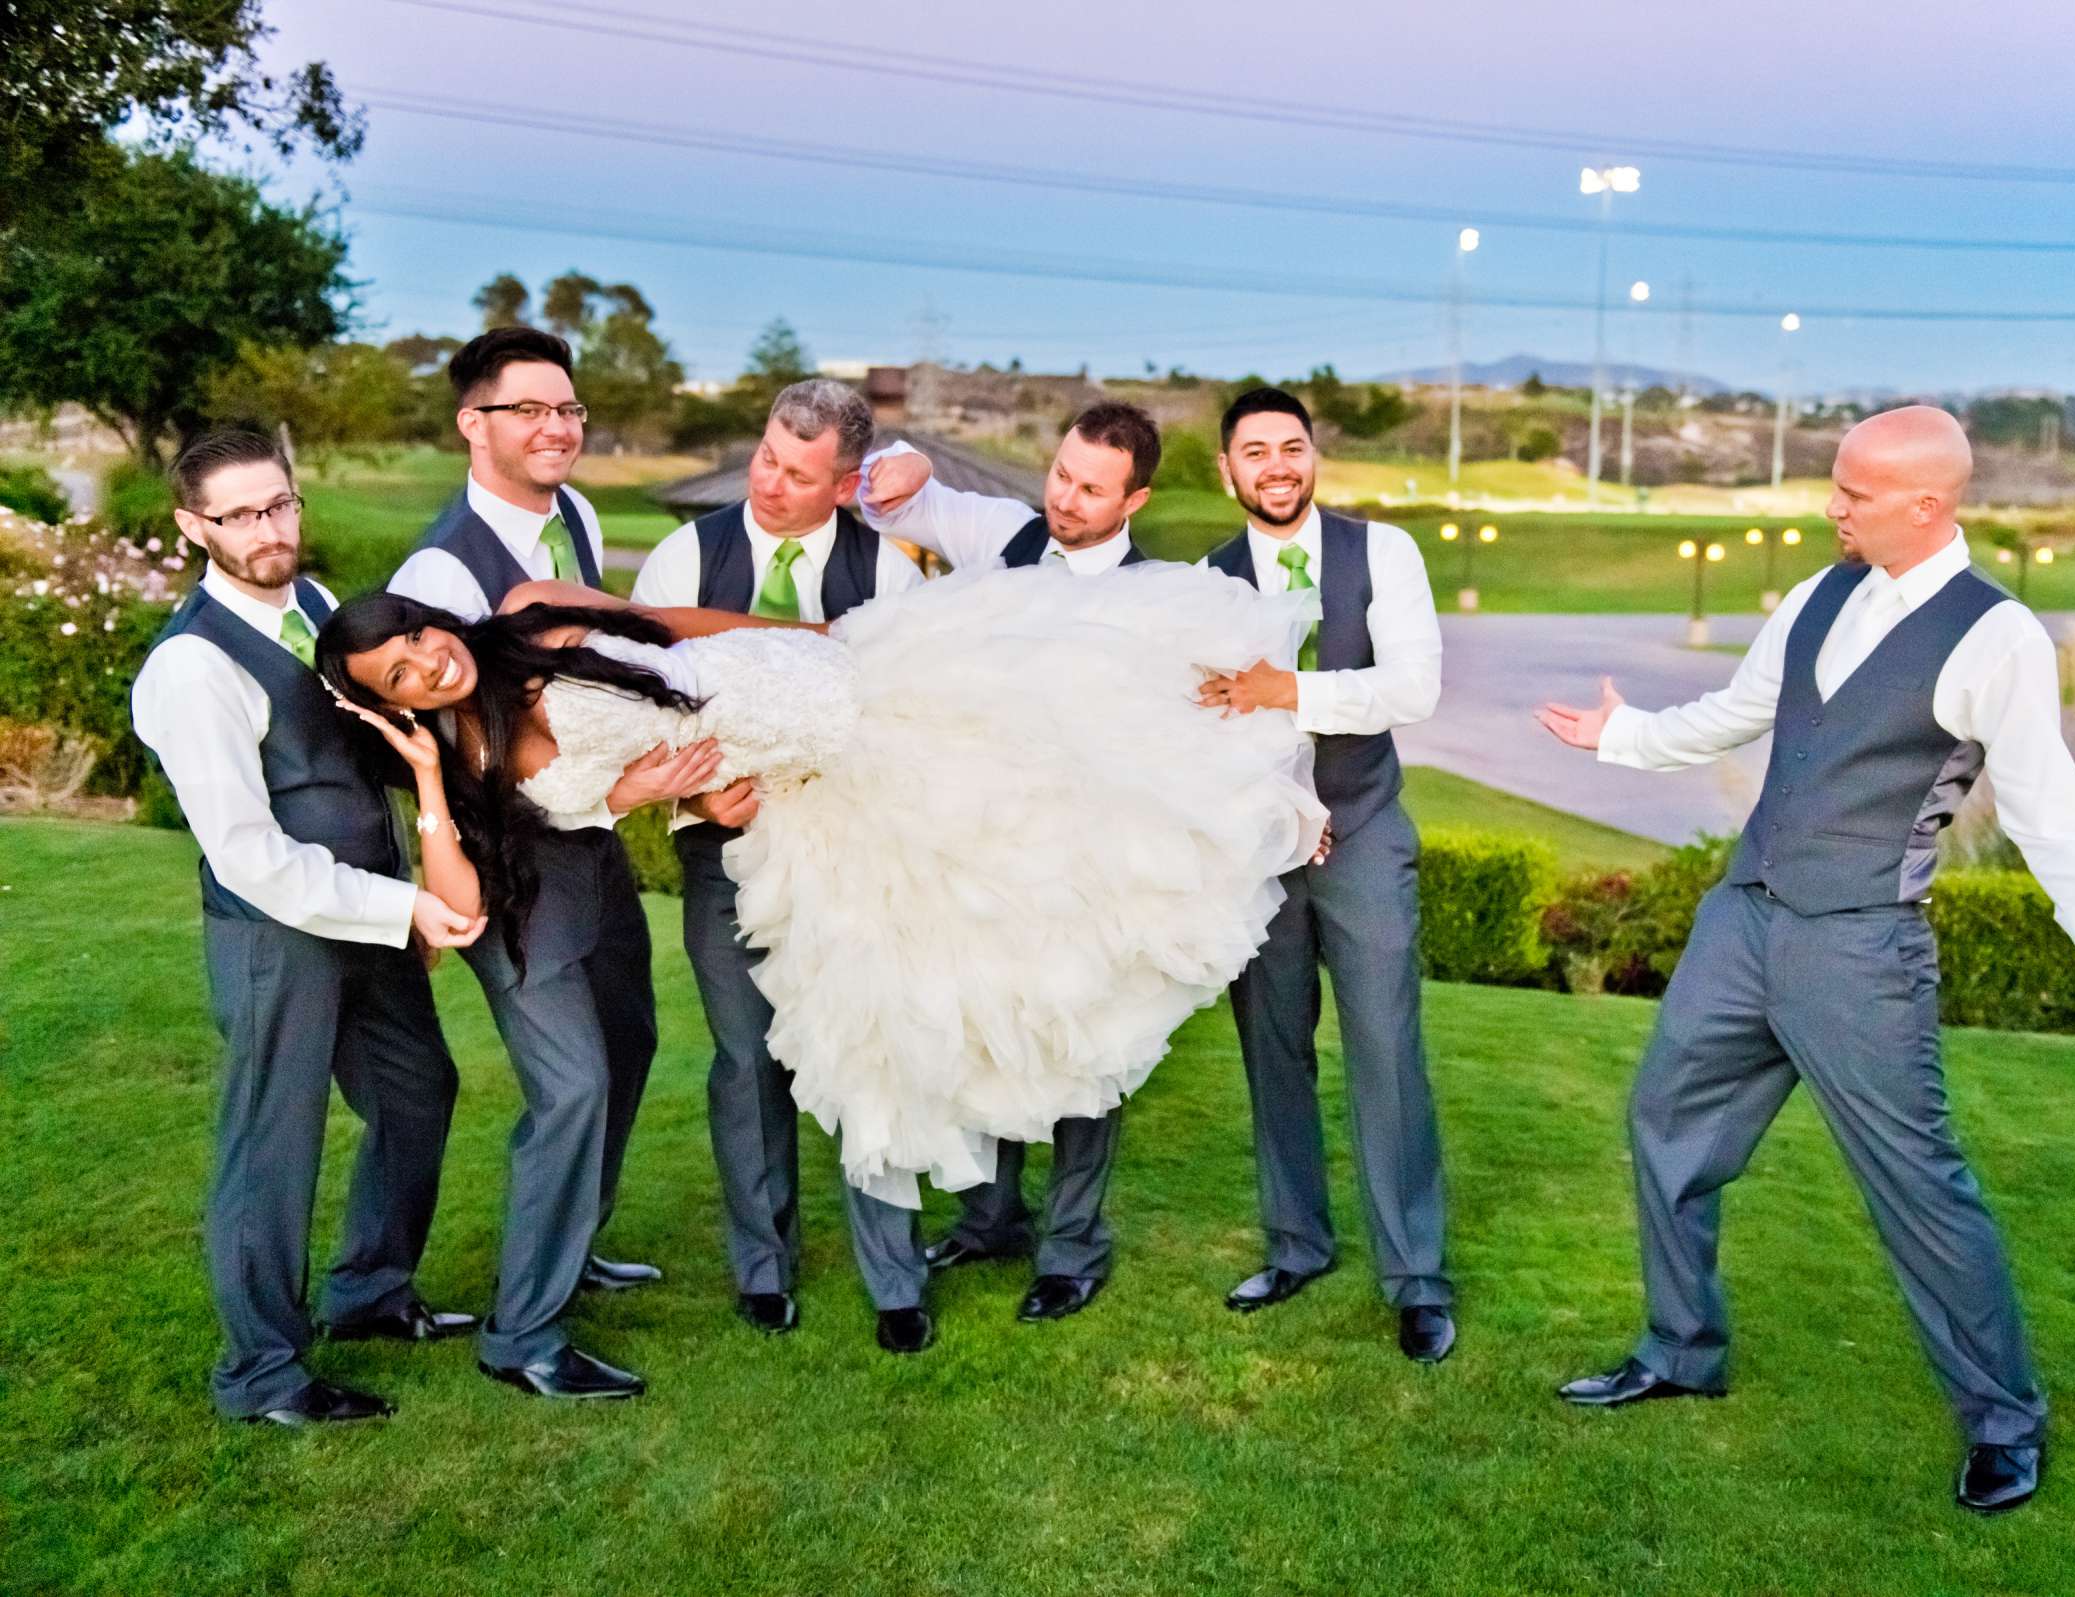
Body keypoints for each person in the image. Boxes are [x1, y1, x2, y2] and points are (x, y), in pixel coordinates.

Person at [319, 537, 1326, 1353]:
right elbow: (495, 874)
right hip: (824, 794)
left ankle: (1255, 776)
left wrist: (806, 630)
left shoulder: (537, 608)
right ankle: (878, 1280)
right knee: (873, 1025)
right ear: (392, 703)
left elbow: (671, 628)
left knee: (1069, 746)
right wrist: (441, 776)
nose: (426, 662)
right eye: (399, 676)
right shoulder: (485, 751)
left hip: (857, 681)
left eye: (415, 635)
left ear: (429, 613)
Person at [1535, 405, 2075, 1514]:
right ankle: (1682, 1348)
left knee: (1916, 1183)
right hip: (1744, 917)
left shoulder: (1998, 638)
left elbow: (2046, 803)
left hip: (1859, 947)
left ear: (1927, 505)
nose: (1831, 506)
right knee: (1666, 1123)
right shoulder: (1815, 595)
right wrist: (1623, 734)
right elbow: (1740, 712)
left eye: (1853, 492)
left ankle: (2004, 1421)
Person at [386, 326, 722, 1401]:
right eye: (529, 409)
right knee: (571, 1084)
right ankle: (523, 1334)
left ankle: (574, 1248)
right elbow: (457, 751)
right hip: (507, 867)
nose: (557, 427)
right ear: (471, 424)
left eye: (568, 409)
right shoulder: (440, 572)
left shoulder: (571, 518)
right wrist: (622, 789)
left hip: (592, 841)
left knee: (629, 1041)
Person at [130, 429, 483, 1426]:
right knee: (272, 1144)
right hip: (276, 935)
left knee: (420, 1090)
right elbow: (247, 853)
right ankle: (264, 1373)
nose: (268, 528)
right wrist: (406, 906)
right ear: (193, 526)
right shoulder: (189, 669)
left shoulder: (322, 609)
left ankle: (370, 1292)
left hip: (368, 913)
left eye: (279, 504)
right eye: (240, 515)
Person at [854, 401, 1168, 1326]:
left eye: (1091, 489)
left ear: (1135, 498)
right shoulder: (1007, 532)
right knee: (990, 1029)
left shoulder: (1161, 597)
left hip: (1092, 858)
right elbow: (903, 501)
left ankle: (1072, 1249)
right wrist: (906, 456)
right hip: (985, 848)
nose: (1066, 499)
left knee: (1085, 1046)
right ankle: (991, 1217)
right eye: (1062, 475)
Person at [630, 378, 928, 1345]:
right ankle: (764, 1266)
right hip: (724, 848)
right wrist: (688, 794)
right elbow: (627, 697)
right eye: (765, 456)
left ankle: (896, 1278)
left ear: (845, 486)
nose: (768, 481)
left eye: (798, 474)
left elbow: (915, 722)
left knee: (869, 1049)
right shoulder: (685, 554)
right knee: (746, 1056)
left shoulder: (893, 574)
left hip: (854, 854)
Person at [1195, 387, 1456, 1365]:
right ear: (1229, 470)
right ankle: (1297, 1243)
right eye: (1255, 451)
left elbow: (1414, 687)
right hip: (1258, 851)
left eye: (1291, 446)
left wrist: (1288, 690)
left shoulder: (1381, 552)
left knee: (1386, 1047)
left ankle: (1416, 1276)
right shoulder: (1206, 581)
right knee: (1273, 1050)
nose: (1276, 464)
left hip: (1365, 829)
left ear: (1315, 457)